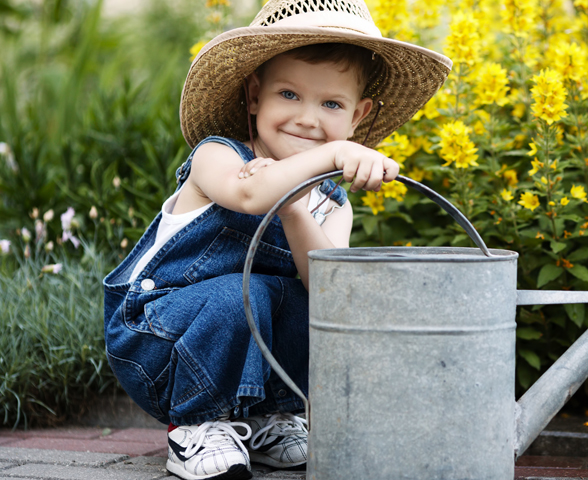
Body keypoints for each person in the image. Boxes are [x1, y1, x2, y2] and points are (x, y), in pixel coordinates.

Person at [102, 1, 452, 479]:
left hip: (252, 358)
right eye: (289, 94)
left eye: (331, 105)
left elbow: (325, 287)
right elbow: (249, 193)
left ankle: (267, 419)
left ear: (358, 116)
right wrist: (330, 153)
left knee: (313, 304)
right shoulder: (218, 157)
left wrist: (293, 207)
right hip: (161, 345)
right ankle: (196, 426)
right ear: (254, 96)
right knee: (238, 294)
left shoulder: (334, 205)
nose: (308, 119)